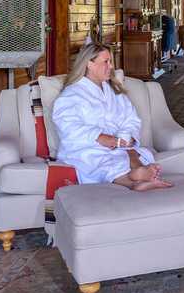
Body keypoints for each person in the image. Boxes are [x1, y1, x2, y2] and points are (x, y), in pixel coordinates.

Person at [52, 43, 172, 191]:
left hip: (117, 145)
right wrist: (101, 137)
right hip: (87, 146)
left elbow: (131, 118)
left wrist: (129, 137)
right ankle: (136, 180)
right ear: (89, 64)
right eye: (106, 62)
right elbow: (67, 126)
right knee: (102, 160)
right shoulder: (71, 94)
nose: (110, 66)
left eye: (111, 62)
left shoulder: (114, 91)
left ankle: (141, 176)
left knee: (131, 152)